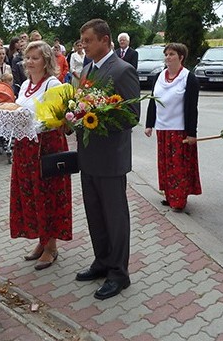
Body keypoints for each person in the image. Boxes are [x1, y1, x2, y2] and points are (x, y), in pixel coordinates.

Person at [75, 19, 141, 300]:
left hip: (111, 159)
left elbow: (132, 116)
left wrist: (97, 121)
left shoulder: (123, 70)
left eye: (88, 41)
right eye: (83, 41)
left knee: (115, 218)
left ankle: (119, 273)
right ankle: (101, 261)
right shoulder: (89, 68)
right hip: (89, 157)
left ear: (104, 40)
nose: (84, 46)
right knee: (95, 214)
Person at [9, 40, 72, 271]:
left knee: (48, 194)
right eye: (27, 58)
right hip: (25, 148)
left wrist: (33, 123)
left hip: (47, 146)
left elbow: (60, 119)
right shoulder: (25, 84)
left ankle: (51, 246)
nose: (29, 62)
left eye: (35, 58)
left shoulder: (53, 84)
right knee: (31, 196)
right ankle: (41, 241)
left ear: (46, 61)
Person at [145, 43, 201, 211]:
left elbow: (192, 108)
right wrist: (149, 124)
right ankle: (170, 195)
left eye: (172, 54)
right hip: (163, 128)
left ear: (181, 57)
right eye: (166, 54)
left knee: (178, 166)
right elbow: (153, 101)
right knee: (165, 164)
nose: (168, 57)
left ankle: (179, 200)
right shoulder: (159, 77)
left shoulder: (189, 78)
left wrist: (192, 133)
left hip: (180, 129)